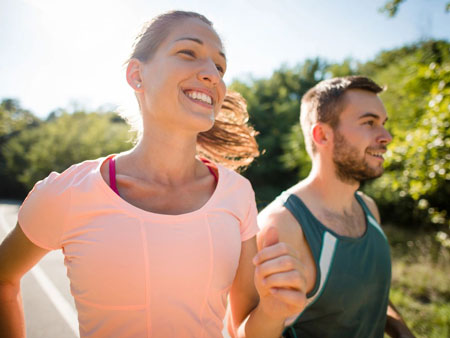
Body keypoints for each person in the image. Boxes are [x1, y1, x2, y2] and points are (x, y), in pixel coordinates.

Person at [0, 11, 304, 338]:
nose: (212, 75)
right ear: (136, 75)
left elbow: (242, 331)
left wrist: (273, 313)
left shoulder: (238, 193)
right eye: (188, 53)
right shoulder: (68, 192)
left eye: (220, 67)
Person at [255, 76, 416, 337]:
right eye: (369, 123)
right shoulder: (282, 225)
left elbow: (369, 294)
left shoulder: (368, 209)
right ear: (322, 135)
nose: (386, 136)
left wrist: (401, 330)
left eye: (383, 124)